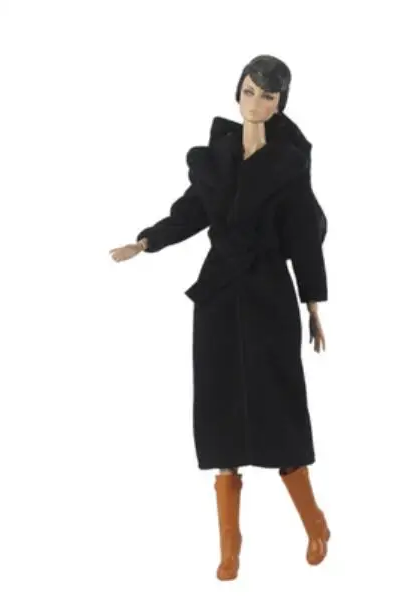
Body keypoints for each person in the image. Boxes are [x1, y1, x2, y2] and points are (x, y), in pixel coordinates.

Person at [109, 54, 330, 581]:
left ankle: (315, 523)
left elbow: (304, 234)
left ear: (279, 105)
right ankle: (230, 544)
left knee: (279, 407)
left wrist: (313, 304)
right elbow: (190, 211)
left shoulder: (289, 164)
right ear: (238, 92)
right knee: (220, 410)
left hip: (269, 295)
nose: (256, 103)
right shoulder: (216, 158)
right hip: (218, 297)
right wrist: (147, 241)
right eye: (250, 91)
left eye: (268, 97)